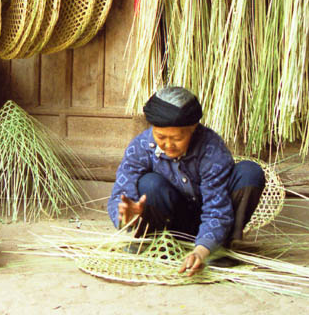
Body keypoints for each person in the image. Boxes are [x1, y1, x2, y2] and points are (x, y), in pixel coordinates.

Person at [107, 86, 266, 276]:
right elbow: (121, 193)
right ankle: (152, 242)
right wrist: (129, 216)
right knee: (150, 183)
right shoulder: (140, 146)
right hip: (172, 220)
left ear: (193, 128)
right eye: (160, 136)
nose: (168, 144)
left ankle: (222, 249)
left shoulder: (211, 148)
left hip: (210, 218)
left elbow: (217, 207)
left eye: (177, 138)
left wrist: (201, 251)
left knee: (250, 172)